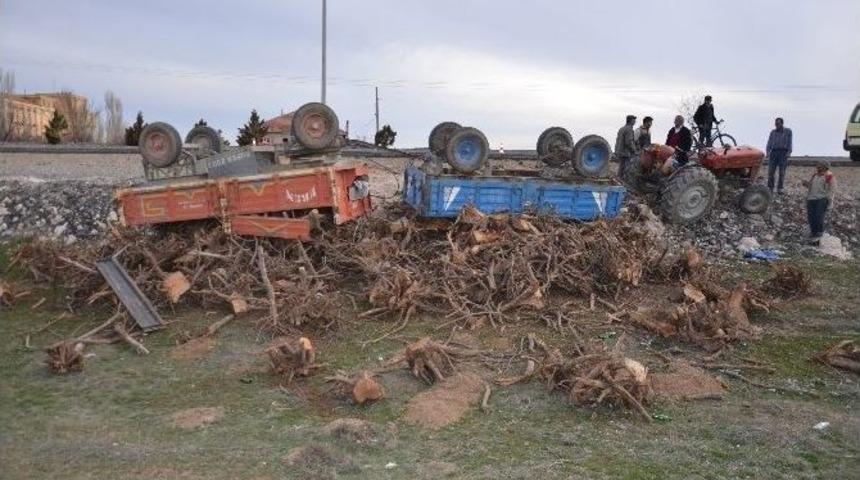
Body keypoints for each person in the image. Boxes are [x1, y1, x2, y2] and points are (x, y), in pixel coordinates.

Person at [802, 161, 836, 245]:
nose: (817, 167)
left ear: (825, 167)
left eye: (819, 166)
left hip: (821, 200)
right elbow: (810, 185)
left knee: (818, 217)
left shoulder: (829, 176)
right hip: (811, 199)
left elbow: (832, 190)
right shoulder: (815, 175)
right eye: (817, 166)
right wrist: (805, 184)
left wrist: (830, 202)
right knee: (811, 218)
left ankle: (819, 235)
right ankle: (813, 235)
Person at [766, 117, 793, 194]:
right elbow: (769, 142)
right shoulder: (773, 132)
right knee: (771, 172)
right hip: (774, 152)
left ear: (782, 123)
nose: (776, 125)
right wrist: (768, 152)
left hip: (783, 153)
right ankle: (770, 188)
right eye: (776, 124)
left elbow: (790, 142)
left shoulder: (788, 131)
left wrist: (789, 152)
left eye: (778, 123)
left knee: (782, 172)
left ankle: (780, 188)